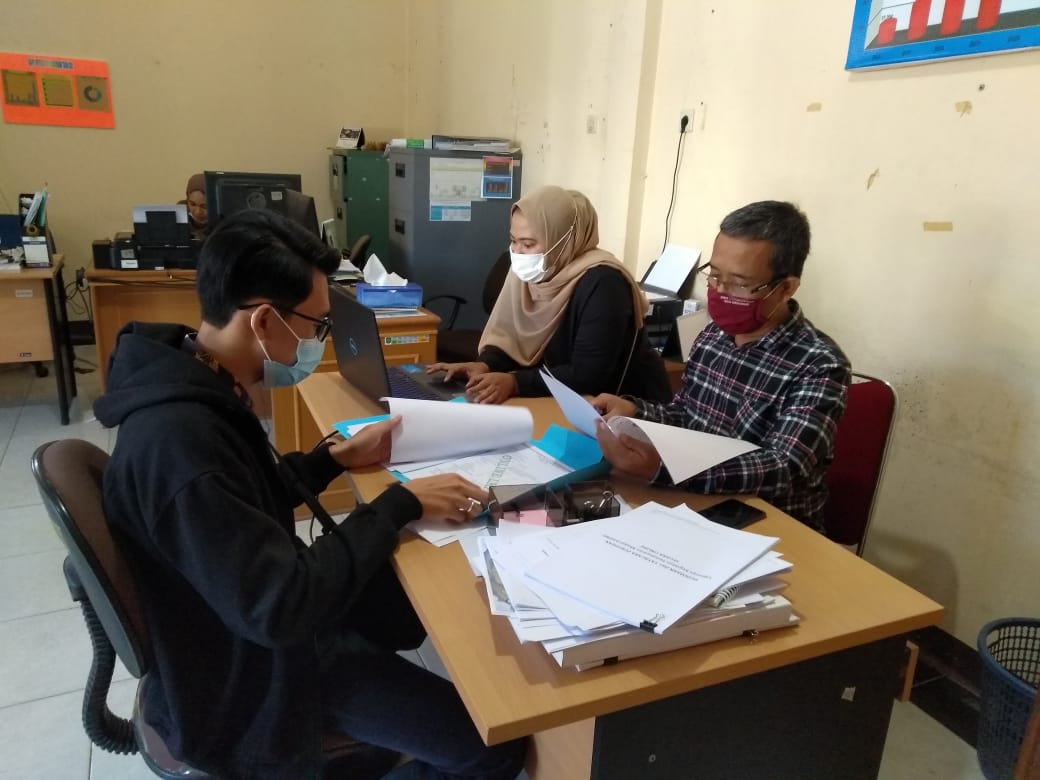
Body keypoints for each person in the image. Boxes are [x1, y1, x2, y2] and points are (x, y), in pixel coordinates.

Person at [94, 209, 526, 780]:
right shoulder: (180, 444)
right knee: (494, 748)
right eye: (316, 325)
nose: (317, 340)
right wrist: (402, 503)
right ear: (264, 320)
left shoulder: (193, 377)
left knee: (408, 594)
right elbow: (281, 608)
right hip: (257, 676)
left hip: (247, 622)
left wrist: (329, 460)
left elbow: (238, 505)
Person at [592, 200, 851, 531]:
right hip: (696, 505)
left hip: (768, 526)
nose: (720, 291)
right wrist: (634, 411)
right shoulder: (713, 335)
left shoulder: (819, 365)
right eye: (714, 275)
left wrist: (663, 469)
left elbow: (784, 467)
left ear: (786, 287)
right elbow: (687, 416)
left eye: (739, 283)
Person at [428, 185, 670, 404]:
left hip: (625, 411)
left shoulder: (605, 283)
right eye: (513, 240)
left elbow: (588, 375)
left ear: (564, 240)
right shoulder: (532, 272)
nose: (518, 252)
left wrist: (515, 383)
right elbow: (512, 338)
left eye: (528, 244)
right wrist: (485, 365)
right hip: (558, 399)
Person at [183, 172, 209, 239]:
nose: (198, 212)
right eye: (193, 204)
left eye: (204, 206)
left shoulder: (224, 225)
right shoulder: (180, 215)